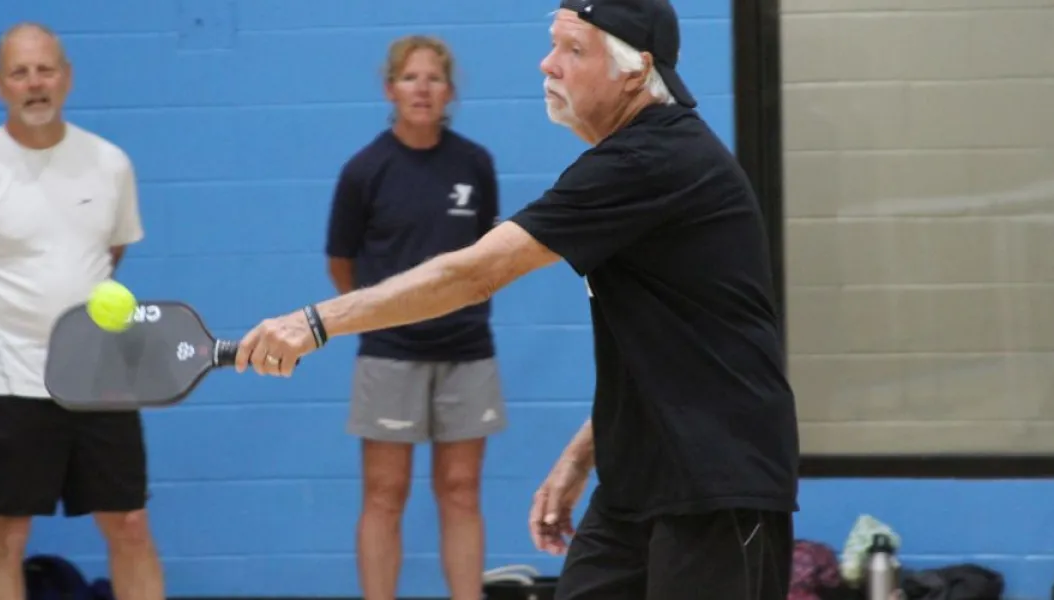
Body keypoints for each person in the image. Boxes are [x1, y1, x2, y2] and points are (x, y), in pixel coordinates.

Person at [232, 0, 801, 598]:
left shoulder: (653, 158)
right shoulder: (632, 158)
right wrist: (584, 454)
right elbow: (674, 349)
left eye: (572, 50)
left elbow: (473, 274)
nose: (547, 64)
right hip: (639, 477)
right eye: (553, 45)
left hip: (718, 477)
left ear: (635, 71)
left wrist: (315, 322)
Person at [0, 22, 161, 600]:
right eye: (20, 72)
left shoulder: (110, 164)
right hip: (9, 381)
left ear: (68, 77)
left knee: (129, 524)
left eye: (45, 70)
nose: (34, 84)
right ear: (0, 84)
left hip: (100, 379)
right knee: (5, 536)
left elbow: (110, 253)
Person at [325, 35, 504, 600]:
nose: (421, 89)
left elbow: (487, 256)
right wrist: (384, 316)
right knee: (385, 493)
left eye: (433, 79)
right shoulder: (365, 170)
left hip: (468, 350)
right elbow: (341, 263)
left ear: (449, 92)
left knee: (460, 489)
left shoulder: (475, 164)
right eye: (410, 78)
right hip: (390, 354)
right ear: (390, 89)